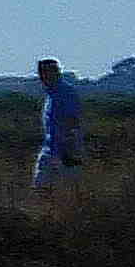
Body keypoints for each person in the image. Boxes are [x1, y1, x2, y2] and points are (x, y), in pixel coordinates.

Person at [29, 58, 82, 187]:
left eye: (45, 72)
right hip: (50, 148)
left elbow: (72, 120)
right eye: (41, 72)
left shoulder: (66, 93)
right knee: (41, 187)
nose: (42, 76)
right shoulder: (50, 94)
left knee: (69, 188)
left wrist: (70, 148)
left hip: (66, 149)